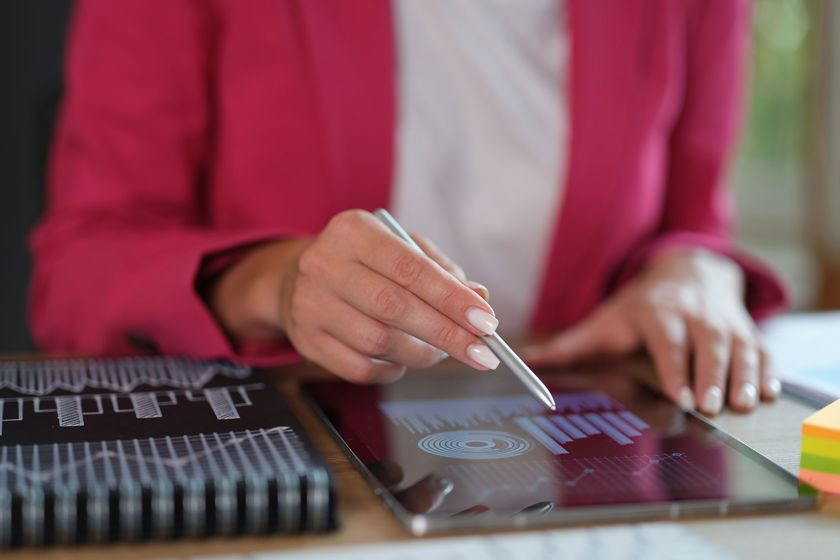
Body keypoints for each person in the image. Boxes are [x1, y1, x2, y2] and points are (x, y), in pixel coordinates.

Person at [29, 0, 784, 417]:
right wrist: (274, 283)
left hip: (586, 471)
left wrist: (695, 272)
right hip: (298, 461)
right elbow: (80, 266)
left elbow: (693, 223)